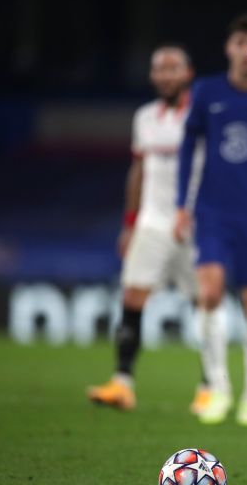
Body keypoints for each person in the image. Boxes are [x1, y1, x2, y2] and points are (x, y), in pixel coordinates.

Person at [174, 13, 247, 427]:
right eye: (239, 42)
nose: (245, 52)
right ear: (228, 47)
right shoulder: (206, 92)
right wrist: (180, 205)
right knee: (209, 294)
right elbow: (188, 149)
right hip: (212, 213)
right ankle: (219, 390)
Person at [87, 44, 205, 411]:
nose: (165, 74)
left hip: (194, 224)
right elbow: (137, 170)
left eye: (173, 68)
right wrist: (130, 222)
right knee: (132, 298)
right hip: (152, 223)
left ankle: (211, 387)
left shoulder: (203, 116)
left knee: (204, 305)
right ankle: (122, 384)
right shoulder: (145, 118)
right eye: (159, 68)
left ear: (188, 74)